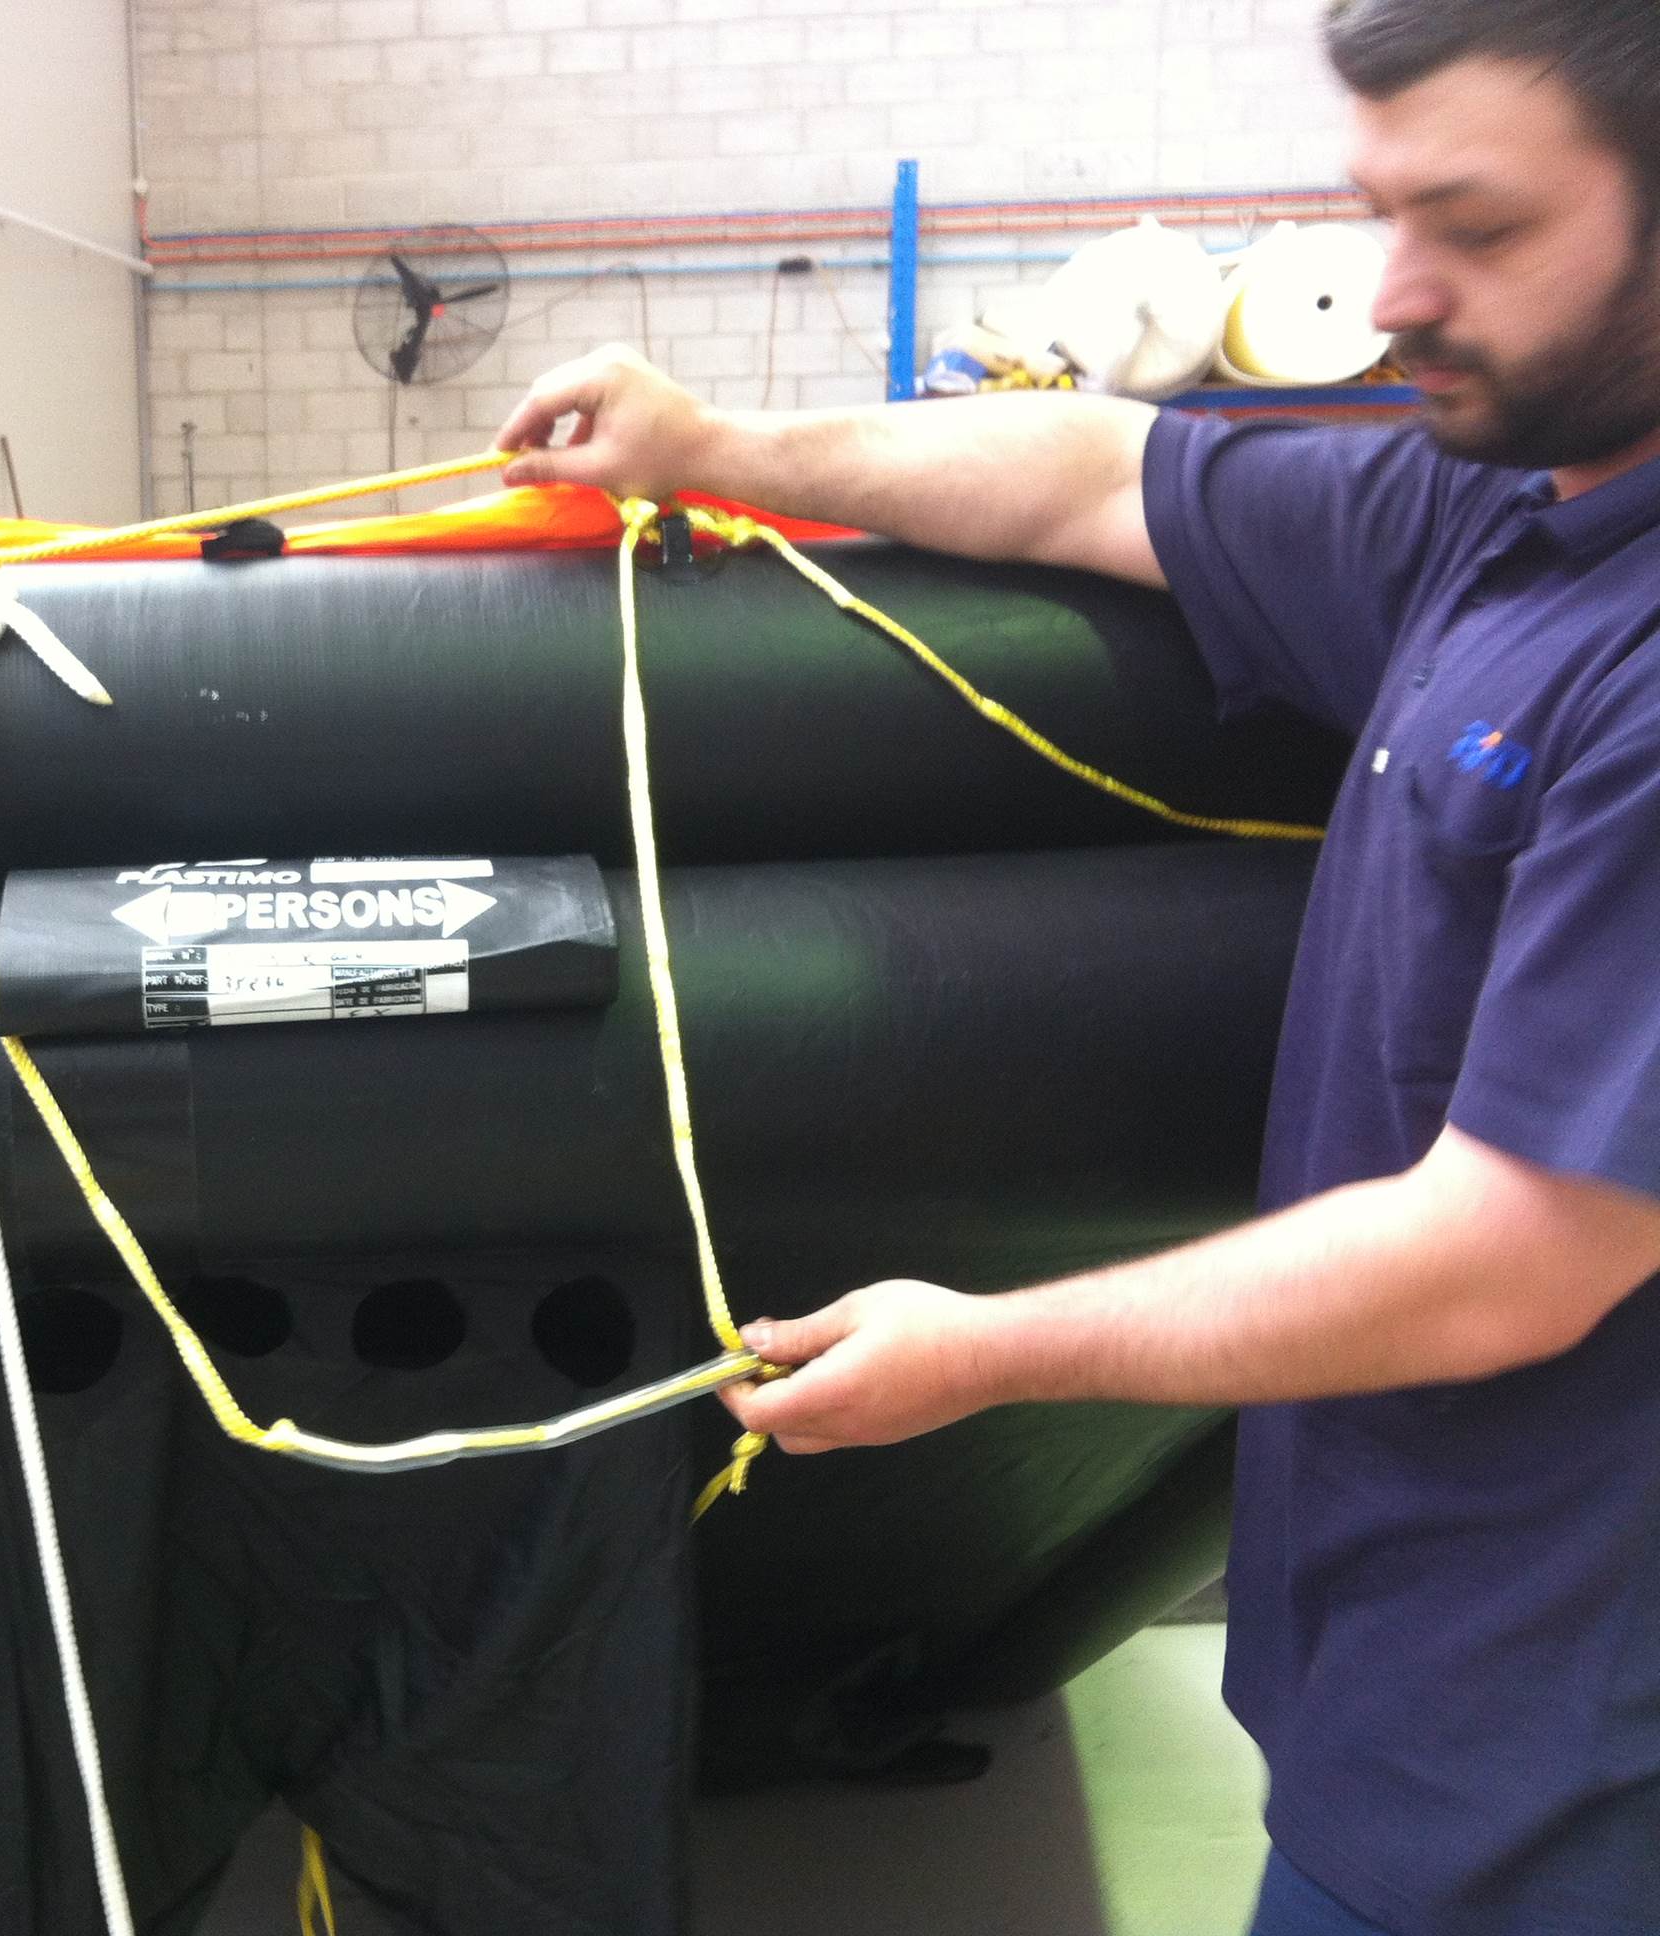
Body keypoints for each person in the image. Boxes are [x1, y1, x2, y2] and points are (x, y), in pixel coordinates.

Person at [492, 4, 1660, 1932]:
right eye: (1380, 215)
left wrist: (991, 1352)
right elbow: (1101, 475)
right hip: (1408, 1682)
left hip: (1565, 1771)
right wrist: (719, 447)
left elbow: (1518, 1252)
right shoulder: (1501, 516)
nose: (1392, 296)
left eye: (1479, 227)